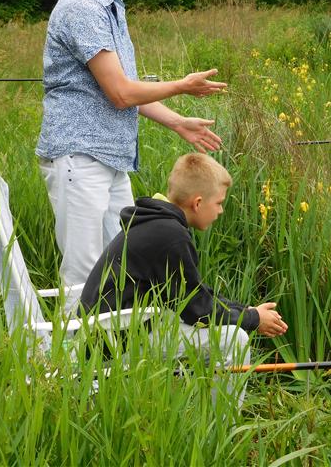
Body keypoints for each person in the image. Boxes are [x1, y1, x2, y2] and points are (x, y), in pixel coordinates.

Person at [36, 0, 227, 313]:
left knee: (120, 268)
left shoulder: (110, 5)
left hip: (110, 159)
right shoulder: (81, 7)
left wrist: (178, 122)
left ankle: (113, 350)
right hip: (80, 157)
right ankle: (71, 352)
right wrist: (183, 86)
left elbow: (126, 91)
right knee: (84, 276)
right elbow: (121, 93)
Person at [79, 153, 288, 406]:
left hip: (112, 333)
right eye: (219, 203)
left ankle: (203, 412)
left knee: (223, 329)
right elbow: (197, 311)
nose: (221, 210)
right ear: (198, 203)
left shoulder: (156, 223)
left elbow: (195, 294)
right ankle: (222, 424)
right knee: (235, 340)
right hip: (114, 346)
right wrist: (253, 320)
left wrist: (247, 311)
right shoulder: (171, 235)